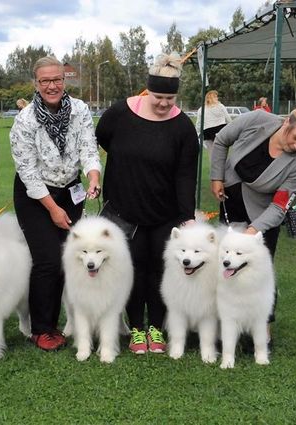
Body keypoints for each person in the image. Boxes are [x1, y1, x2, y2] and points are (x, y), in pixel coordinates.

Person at [95, 52, 199, 355]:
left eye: (170, 97)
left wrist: (187, 216)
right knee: (132, 269)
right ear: (146, 91)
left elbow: (185, 175)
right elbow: (101, 139)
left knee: (159, 270)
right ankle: (136, 329)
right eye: (158, 97)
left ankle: (156, 327)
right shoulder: (119, 114)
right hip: (124, 211)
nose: (164, 103)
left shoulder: (182, 127)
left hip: (164, 214)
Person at [10, 56, 101, 352]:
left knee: (65, 258)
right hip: (35, 195)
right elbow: (28, 172)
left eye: (57, 79)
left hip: (70, 190)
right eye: (45, 81)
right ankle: (42, 329)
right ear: (36, 84)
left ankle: (64, 323)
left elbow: (89, 147)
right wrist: (52, 208)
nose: (52, 86)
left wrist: (93, 176)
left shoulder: (80, 110)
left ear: (65, 80)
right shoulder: (25, 121)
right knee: (48, 260)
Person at [210, 105, 296, 335]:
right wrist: (216, 177)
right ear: (286, 123)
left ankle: (264, 331)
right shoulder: (257, 120)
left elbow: (280, 205)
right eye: (295, 139)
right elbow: (222, 140)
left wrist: (254, 231)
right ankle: (228, 324)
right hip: (231, 201)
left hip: (263, 214)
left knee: (260, 271)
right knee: (227, 264)